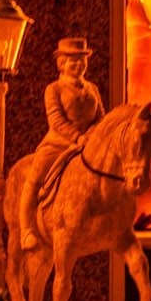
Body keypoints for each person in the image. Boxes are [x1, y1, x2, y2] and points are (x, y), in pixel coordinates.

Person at [31, 36, 105, 206]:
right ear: (62, 64)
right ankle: (26, 222)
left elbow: (100, 117)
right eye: (73, 61)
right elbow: (56, 121)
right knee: (37, 172)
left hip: (90, 142)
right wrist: (78, 137)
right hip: (59, 143)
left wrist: (90, 136)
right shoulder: (54, 89)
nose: (79, 64)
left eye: (82, 60)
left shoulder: (92, 88)